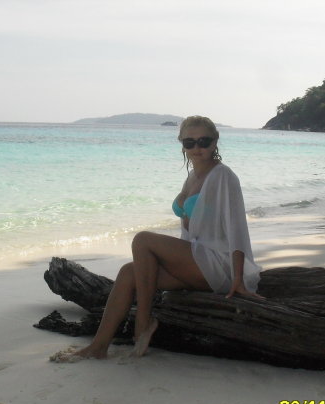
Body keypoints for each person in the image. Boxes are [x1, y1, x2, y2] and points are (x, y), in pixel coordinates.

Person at [52, 115, 263, 361]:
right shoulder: (192, 176)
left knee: (143, 240)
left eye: (204, 141)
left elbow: (237, 228)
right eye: (189, 142)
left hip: (219, 264)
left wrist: (237, 279)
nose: (197, 148)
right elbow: (191, 229)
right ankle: (99, 347)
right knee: (128, 272)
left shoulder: (223, 176)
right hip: (197, 260)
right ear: (182, 144)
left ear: (215, 142)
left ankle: (143, 322)